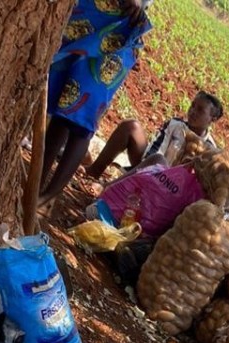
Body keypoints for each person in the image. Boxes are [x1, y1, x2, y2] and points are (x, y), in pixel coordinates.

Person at [38, 0, 153, 208]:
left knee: (82, 120)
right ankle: (36, 183)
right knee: (62, 109)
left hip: (118, 25)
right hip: (90, 13)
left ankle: (49, 196)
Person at [85, 91, 224, 178]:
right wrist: (149, 170)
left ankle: (109, 187)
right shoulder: (175, 125)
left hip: (172, 189)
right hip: (149, 167)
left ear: (213, 119)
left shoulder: (210, 150)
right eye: (192, 106)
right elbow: (155, 151)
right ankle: (93, 172)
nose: (193, 111)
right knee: (131, 127)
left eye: (200, 110)